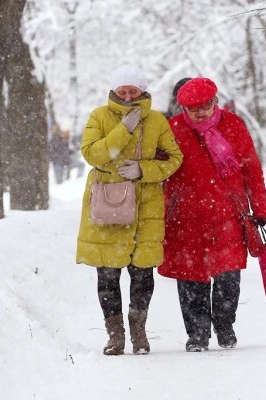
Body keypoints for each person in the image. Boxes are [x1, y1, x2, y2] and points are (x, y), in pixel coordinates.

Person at [76, 64, 183, 356]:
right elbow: (92, 154)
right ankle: (115, 335)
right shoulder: (99, 116)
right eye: (121, 90)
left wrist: (143, 170)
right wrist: (124, 129)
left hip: (146, 204)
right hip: (107, 201)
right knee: (107, 274)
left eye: (132, 90)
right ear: (113, 90)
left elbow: (174, 159)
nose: (126, 95)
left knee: (143, 272)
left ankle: (139, 330)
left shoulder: (158, 120)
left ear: (142, 90)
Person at [158, 77, 266, 352]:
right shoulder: (172, 130)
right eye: (193, 108)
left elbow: (251, 170)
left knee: (227, 275)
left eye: (205, 105)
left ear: (215, 101)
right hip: (185, 215)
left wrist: (260, 208)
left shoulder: (233, 125)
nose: (200, 112)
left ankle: (224, 326)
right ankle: (197, 334)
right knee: (190, 275)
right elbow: (158, 172)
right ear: (182, 107)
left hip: (228, 212)